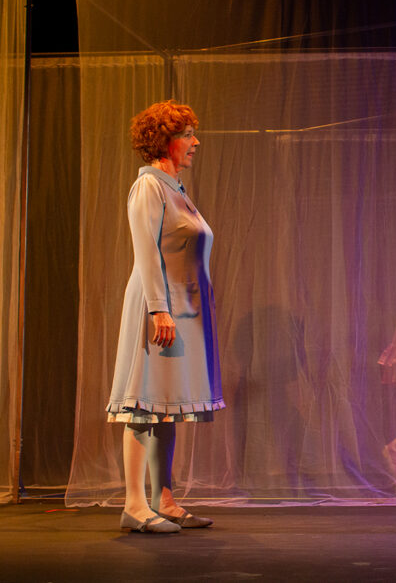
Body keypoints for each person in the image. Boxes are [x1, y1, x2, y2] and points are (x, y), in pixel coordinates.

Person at [107, 100, 225, 534]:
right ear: (164, 141)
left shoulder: (176, 190)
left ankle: (165, 499)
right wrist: (160, 309)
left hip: (183, 309)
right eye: (187, 135)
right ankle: (134, 505)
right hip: (159, 307)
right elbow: (146, 253)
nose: (196, 142)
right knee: (144, 403)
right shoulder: (149, 188)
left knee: (166, 405)